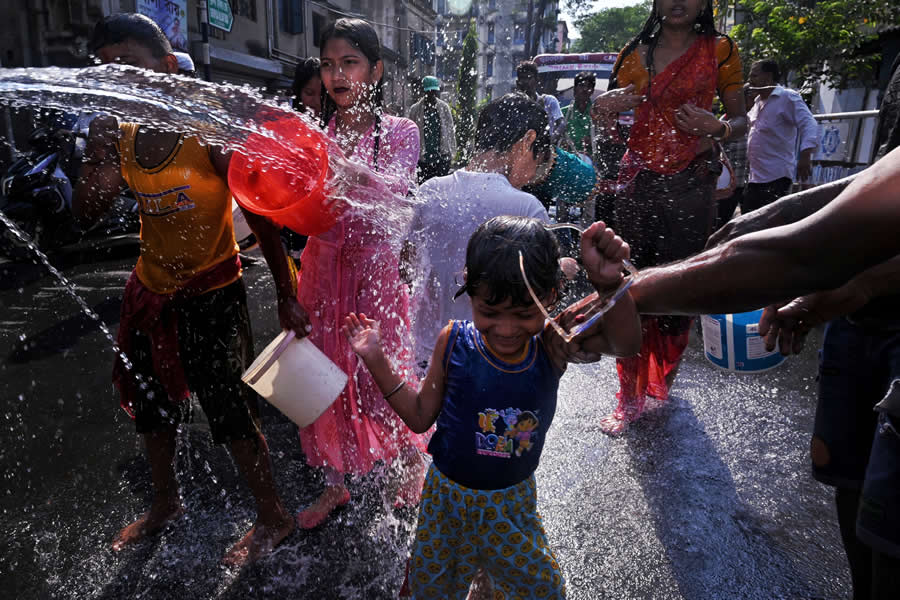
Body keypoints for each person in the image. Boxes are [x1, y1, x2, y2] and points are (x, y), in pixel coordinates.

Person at [73, 13, 293, 567]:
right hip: (149, 292)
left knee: (231, 411)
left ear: (168, 67)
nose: (122, 83)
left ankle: (273, 515)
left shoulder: (204, 132)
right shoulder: (117, 134)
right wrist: (97, 156)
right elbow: (87, 211)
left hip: (213, 289)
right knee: (150, 408)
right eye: (109, 74)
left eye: (131, 68)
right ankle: (165, 503)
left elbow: (261, 214)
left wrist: (288, 291)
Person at [343, 216, 642, 599]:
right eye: (490, 311)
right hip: (447, 503)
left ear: (550, 296)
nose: (505, 328)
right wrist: (376, 360)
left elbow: (626, 343)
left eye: (523, 314)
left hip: (511, 506)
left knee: (545, 590)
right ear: (470, 289)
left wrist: (609, 283)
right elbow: (419, 418)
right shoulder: (452, 342)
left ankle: (488, 587)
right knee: (431, 591)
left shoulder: (551, 347)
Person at [703, 54, 900, 600]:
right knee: (847, 476)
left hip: (872, 293)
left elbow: (802, 251)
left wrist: (847, 281)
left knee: (890, 518)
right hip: (858, 306)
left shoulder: (790, 104)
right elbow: (885, 176)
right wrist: (771, 218)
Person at [242, 18, 425, 530]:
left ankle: (410, 462)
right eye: (327, 65)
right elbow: (291, 206)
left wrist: (344, 167)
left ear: (376, 69)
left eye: (349, 63)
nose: (337, 74)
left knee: (380, 370)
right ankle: (332, 483)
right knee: (320, 375)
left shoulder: (400, 130)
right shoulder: (313, 135)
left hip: (374, 274)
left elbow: (395, 195)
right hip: (321, 271)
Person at [589, 0, 747, 435]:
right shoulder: (634, 53)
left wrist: (716, 127)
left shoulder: (720, 51)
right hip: (638, 186)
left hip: (693, 185)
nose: (678, 2)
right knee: (629, 287)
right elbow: (605, 122)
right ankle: (627, 397)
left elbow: (740, 119)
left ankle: (661, 387)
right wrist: (604, 106)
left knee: (681, 287)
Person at [407, 93, 551, 370]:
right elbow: (537, 298)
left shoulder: (429, 191)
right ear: (527, 142)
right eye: (537, 160)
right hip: (494, 361)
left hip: (428, 356)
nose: (533, 174)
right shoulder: (527, 209)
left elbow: (407, 269)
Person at [743, 59, 819, 212]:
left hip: (776, 177)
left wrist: (805, 156)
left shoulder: (787, 97)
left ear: (768, 77)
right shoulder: (757, 102)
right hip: (754, 178)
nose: (750, 80)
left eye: (754, 76)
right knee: (748, 221)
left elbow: (809, 124)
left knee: (768, 225)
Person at [408, 76, 456, 183]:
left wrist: (451, 154)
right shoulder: (415, 110)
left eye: (434, 91)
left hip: (441, 158)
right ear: (423, 92)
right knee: (424, 187)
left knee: (441, 187)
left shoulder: (444, 108)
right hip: (422, 160)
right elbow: (411, 134)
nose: (432, 94)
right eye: (429, 91)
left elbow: (450, 131)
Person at [516, 61, 565, 144]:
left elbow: (562, 124)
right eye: (522, 78)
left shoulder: (549, 101)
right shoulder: (515, 105)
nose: (526, 82)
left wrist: (551, 141)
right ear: (517, 83)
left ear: (536, 80)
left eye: (529, 77)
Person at [564, 72, 596, 157]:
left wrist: (593, 140)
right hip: (567, 160)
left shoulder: (598, 113)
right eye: (581, 85)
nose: (585, 89)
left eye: (589, 86)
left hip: (591, 162)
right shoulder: (563, 113)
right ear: (574, 89)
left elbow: (605, 137)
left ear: (592, 91)